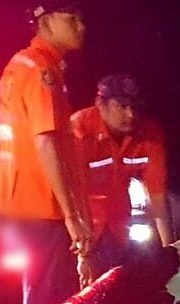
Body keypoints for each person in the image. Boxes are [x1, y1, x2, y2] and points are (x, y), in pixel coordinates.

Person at [0, 0, 91, 304]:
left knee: (42, 292)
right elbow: (46, 143)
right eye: (72, 19)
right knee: (47, 302)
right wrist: (71, 215)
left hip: (25, 199)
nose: (82, 25)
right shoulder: (40, 70)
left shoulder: (29, 64)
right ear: (46, 22)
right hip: (39, 200)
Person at [69, 73, 171, 280]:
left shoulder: (150, 134)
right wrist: (83, 254)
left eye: (135, 107)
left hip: (118, 226)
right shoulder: (80, 129)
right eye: (122, 106)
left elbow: (158, 196)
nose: (131, 114)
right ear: (100, 104)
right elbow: (74, 193)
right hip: (74, 226)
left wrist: (170, 251)